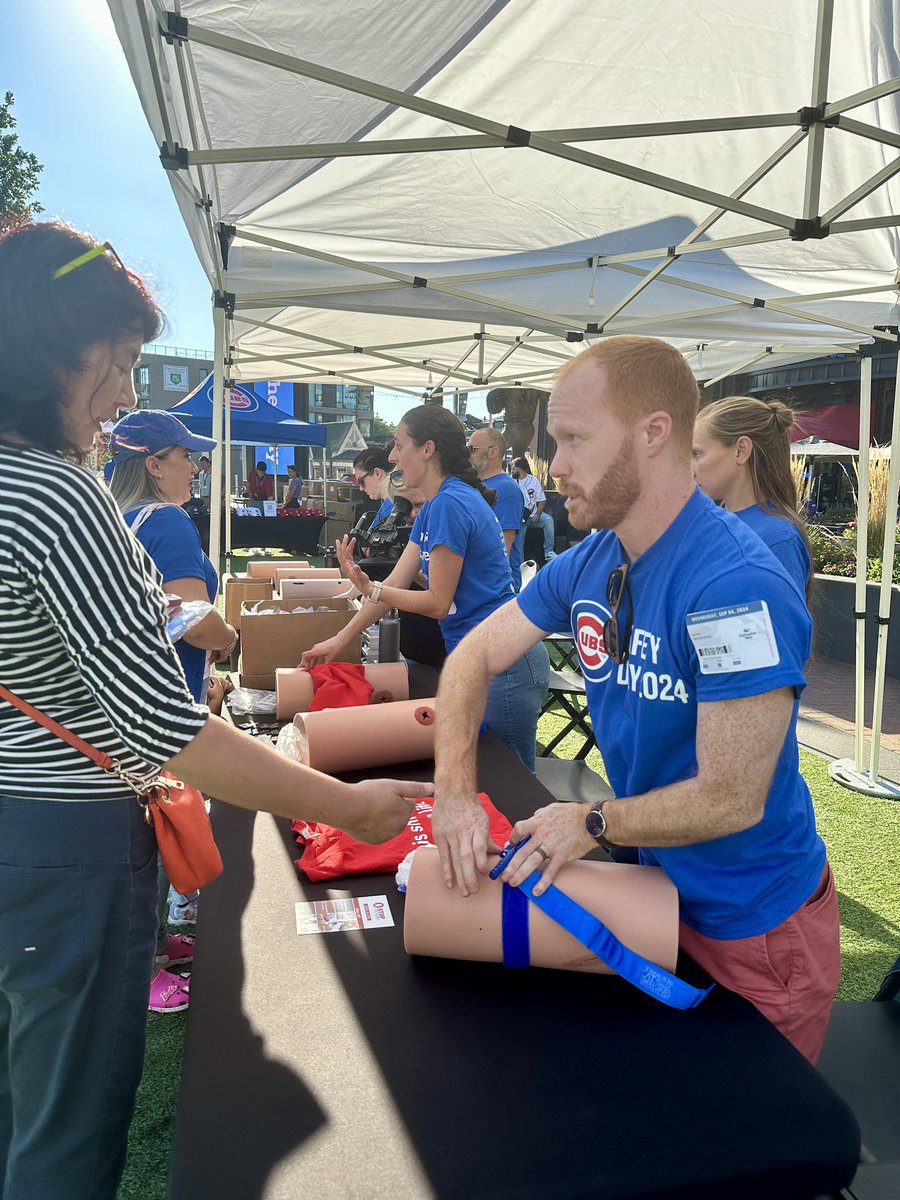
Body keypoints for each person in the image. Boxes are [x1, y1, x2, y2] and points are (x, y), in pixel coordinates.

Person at [0, 221, 429, 1200]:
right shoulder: (60, 497)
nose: (123, 395)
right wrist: (345, 804)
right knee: (66, 1132)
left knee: (26, 1099)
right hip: (72, 844)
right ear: (52, 350)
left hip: (17, 824)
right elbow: (164, 731)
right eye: (118, 364)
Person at [430, 335, 839, 1065]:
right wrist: (455, 794)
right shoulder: (593, 557)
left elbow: (731, 798)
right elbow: (471, 656)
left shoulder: (735, 584)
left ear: (655, 433)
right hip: (658, 895)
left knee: (756, 1144)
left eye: (574, 439)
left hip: (754, 923)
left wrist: (590, 818)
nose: (552, 468)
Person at [301, 405, 550, 770]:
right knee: (486, 777)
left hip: (504, 664)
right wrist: (341, 639)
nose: (391, 455)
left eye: (400, 445)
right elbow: (398, 582)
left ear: (428, 449)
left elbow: (436, 603)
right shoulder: (437, 504)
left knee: (508, 783)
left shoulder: (450, 502)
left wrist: (372, 589)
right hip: (481, 658)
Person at [109, 408, 239, 1012]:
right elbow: (189, 620)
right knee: (157, 829)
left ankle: (157, 948)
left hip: (123, 703)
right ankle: (153, 967)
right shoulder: (168, 523)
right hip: (165, 706)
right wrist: (229, 639)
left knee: (142, 832)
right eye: (185, 455)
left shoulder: (116, 518)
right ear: (154, 465)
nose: (196, 464)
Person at [692, 396, 812, 598]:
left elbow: (780, 626)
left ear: (741, 450)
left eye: (697, 454)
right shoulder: (712, 522)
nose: (691, 468)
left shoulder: (777, 538)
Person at [467, 427, 525, 590]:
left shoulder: (507, 489)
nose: (468, 455)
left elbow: (505, 544)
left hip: (496, 588)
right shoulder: (474, 485)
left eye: (472, 449)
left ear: (492, 452)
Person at [511, 456, 556, 561]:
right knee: (520, 539)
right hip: (519, 517)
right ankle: (520, 563)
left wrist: (538, 514)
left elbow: (542, 500)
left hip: (533, 515)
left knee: (549, 520)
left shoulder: (533, 481)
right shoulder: (510, 480)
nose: (512, 471)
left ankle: (548, 552)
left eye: (514, 469)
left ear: (521, 470)